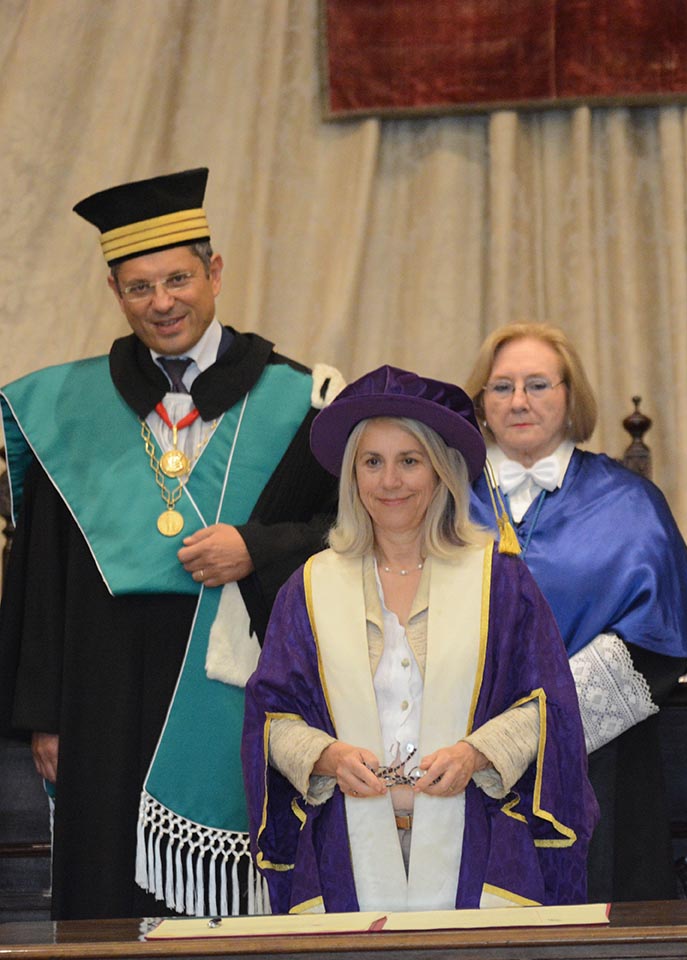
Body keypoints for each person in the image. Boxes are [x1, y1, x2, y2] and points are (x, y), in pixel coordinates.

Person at [0, 168, 340, 920]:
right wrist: (46, 714)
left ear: (214, 272)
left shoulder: (300, 400)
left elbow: (346, 538)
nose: (162, 303)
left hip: (235, 684)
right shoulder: (71, 406)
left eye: (178, 278)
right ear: (115, 294)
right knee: (105, 892)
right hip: (101, 687)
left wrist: (257, 547)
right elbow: (43, 569)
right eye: (138, 288)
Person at [243, 365, 597, 913]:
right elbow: (272, 720)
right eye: (372, 462)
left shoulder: (498, 582)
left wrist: (477, 752)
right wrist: (328, 756)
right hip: (347, 855)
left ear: (440, 471)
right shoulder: (309, 587)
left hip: (477, 851)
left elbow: (547, 706)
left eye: (409, 461)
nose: (390, 482)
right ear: (352, 475)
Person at [464, 323, 687, 903]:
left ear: (570, 395)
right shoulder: (445, 502)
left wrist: (539, 725)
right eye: (501, 387)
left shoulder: (628, 502)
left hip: (600, 771)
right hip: (463, 769)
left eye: (538, 384)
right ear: (480, 402)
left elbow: (656, 649)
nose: (520, 401)